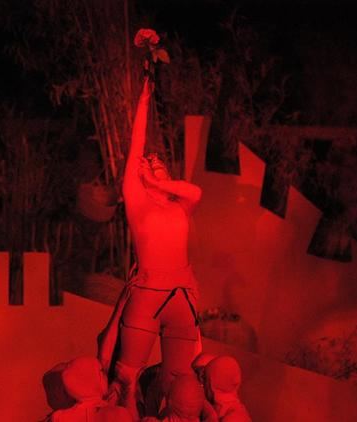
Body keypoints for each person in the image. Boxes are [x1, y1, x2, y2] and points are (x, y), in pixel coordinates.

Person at [97, 31, 203, 420]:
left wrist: (159, 183)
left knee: (179, 380)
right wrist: (143, 99)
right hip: (148, 293)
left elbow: (194, 191)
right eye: (148, 163)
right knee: (126, 377)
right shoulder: (138, 204)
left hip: (183, 296)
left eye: (157, 162)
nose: (151, 162)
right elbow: (135, 147)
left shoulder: (180, 203)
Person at [203, 356, 251, 422]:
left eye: (205, 379)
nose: (203, 385)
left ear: (212, 383)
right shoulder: (218, 410)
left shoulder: (234, 418)